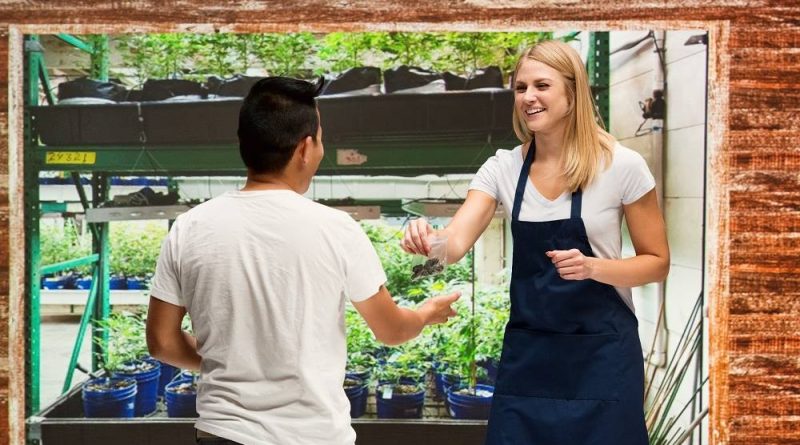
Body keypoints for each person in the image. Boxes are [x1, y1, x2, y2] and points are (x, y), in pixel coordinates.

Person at [146, 76, 460, 445]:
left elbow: (162, 341)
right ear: (305, 148)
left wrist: (231, 363)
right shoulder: (336, 228)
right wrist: (426, 312)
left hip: (223, 433)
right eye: (321, 139)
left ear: (244, 144)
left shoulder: (190, 227)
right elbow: (390, 330)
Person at [402, 40, 669, 444]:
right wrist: (427, 239)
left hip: (604, 358)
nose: (528, 97)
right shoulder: (503, 169)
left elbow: (657, 262)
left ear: (572, 92)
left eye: (541, 85)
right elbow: (453, 243)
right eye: (520, 87)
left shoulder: (621, 166)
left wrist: (594, 267)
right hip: (531, 358)